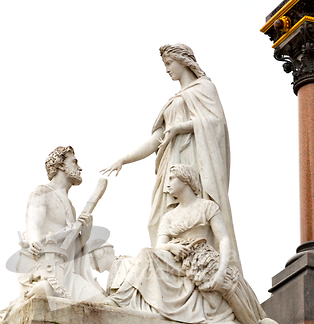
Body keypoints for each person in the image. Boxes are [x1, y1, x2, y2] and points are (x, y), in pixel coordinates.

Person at [102, 44, 239, 271]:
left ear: (182, 61)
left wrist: (179, 128)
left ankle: (204, 263)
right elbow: (157, 138)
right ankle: (169, 266)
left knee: (198, 217)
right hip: (170, 166)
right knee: (158, 220)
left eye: (168, 63)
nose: (166, 69)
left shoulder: (204, 88)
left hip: (192, 160)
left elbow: (215, 124)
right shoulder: (173, 100)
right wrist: (124, 159)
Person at [105, 164, 280, 324]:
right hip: (176, 258)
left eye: (172, 178)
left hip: (201, 258)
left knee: (230, 284)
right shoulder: (169, 217)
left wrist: (221, 270)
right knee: (145, 253)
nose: (167, 184)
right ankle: (121, 298)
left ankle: (254, 321)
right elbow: (159, 246)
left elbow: (224, 240)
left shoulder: (207, 206)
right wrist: (171, 247)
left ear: (185, 179)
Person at [18, 145, 105, 303]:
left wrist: (84, 235)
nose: (79, 168)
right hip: (47, 269)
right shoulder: (42, 192)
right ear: (60, 165)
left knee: (102, 304)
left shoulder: (71, 207)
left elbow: (70, 250)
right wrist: (34, 241)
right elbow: (33, 224)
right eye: (74, 162)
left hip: (68, 273)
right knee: (43, 293)